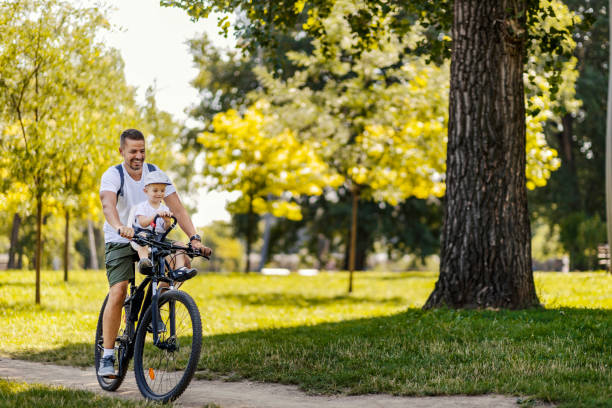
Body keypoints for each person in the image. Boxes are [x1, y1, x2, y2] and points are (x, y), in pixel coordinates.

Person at [98, 129, 211, 377]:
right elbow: (108, 205)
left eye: (142, 150)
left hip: (152, 239)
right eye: (133, 151)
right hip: (121, 238)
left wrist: (194, 238)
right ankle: (107, 356)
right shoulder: (113, 175)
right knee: (118, 291)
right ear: (121, 152)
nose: (138, 156)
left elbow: (178, 209)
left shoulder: (156, 175)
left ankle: (156, 302)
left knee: (178, 260)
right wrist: (119, 227)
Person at [129, 170, 188, 274]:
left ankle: (179, 270)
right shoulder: (142, 207)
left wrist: (167, 221)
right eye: (155, 191)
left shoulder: (165, 208)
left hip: (160, 238)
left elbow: (166, 228)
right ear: (146, 191)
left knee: (181, 245)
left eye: (162, 190)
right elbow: (143, 223)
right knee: (143, 237)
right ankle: (144, 261)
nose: (159, 193)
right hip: (145, 236)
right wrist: (155, 215)